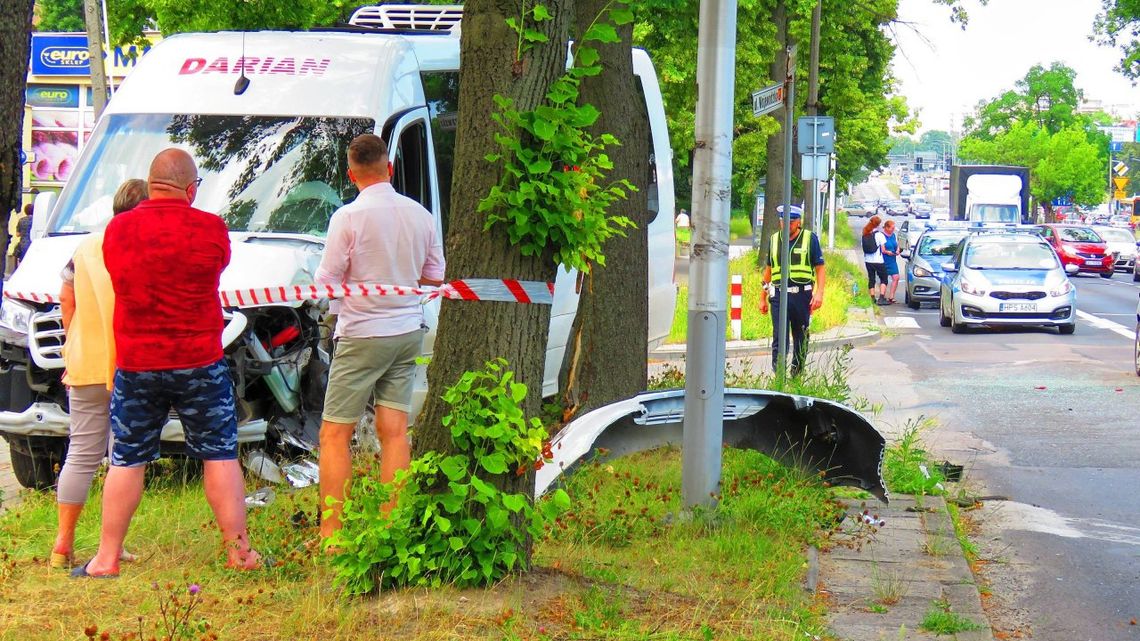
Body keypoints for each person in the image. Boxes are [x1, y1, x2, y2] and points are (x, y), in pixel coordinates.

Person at [72, 149, 260, 578]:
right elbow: (217, 266)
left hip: (137, 364)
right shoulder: (211, 228)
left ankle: (106, 558)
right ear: (191, 189)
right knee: (219, 454)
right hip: (199, 361)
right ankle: (240, 553)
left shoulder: (118, 231)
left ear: (151, 182)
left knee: (127, 459)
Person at [316, 134, 445, 541]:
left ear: (351, 174)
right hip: (406, 331)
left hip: (361, 335)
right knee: (395, 429)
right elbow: (435, 275)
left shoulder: (348, 218)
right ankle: (393, 525)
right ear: (389, 169)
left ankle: (333, 535)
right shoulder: (420, 214)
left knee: (334, 433)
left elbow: (327, 282)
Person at [50, 179, 148, 570]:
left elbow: (65, 296)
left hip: (85, 360)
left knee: (81, 452)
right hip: (129, 361)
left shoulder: (87, 245)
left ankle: (62, 544)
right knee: (122, 457)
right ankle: (112, 546)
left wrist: (73, 339)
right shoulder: (140, 245)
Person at [758, 205, 825, 377]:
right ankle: (779, 376)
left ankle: (796, 375)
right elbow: (768, 270)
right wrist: (762, 297)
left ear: (798, 222)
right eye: (783, 221)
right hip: (779, 294)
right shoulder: (773, 240)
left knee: (801, 336)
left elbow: (820, 268)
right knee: (779, 337)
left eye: (791, 221)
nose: (786, 225)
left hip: (802, 295)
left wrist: (819, 293)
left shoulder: (810, 238)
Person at [861, 215, 889, 306]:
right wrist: (890, 253)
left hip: (868, 260)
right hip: (878, 261)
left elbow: (863, 246)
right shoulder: (880, 235)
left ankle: (872, 298)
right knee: (884, 278)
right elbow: (883, 250)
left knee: (871, 279)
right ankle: (881, 298)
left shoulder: (865, 233)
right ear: (878, 225)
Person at [882, 219, 901, 304]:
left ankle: (891, 296)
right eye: (891, 228)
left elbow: (896, 245)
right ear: (886, 227)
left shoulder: (893, 235)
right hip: (884, 259)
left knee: (896, 277)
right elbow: (882, 249)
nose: (893, 230)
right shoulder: (882, 235)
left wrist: (897, 250)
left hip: (892, 259)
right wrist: (887, 252)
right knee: (884, 279)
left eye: (894, 228)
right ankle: (882, 296)